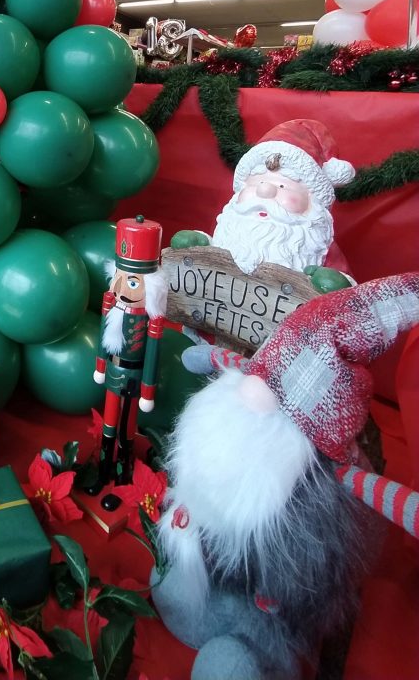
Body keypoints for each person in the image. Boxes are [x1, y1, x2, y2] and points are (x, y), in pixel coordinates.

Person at [152, 273, 419, 680]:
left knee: (243, 653)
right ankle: (199, 596)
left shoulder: (314, 488)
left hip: (270, 602)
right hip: (208, 568)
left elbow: (395, 505)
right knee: (190, 570)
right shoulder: (233, 409)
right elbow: (220, 363)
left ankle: (250, 651)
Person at [172, 118, 355, 292]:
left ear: (313, 201)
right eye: (256, 183)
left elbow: (345, 289)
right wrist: (201, 245)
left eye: (283, 186)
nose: (265, 190)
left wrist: (335, 283)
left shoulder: (318, 247)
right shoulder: (234, 229)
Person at [86, 215, 168, 510]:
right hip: (113, 372)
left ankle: (123, 474)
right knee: (108, 425)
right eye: (119, 275)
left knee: (127, 428)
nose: (122, 287)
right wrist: (100, 366)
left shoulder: (151, 320)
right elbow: (102, 339)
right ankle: (103, 469)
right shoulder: (112, 306)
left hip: (135, 378)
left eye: (131, 281)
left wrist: (148, 390)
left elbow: (152, 355)